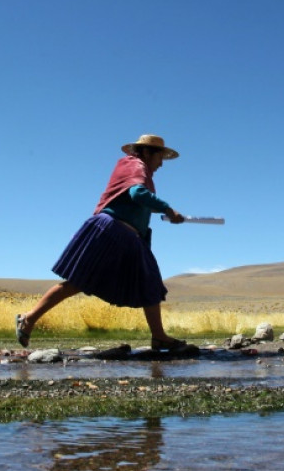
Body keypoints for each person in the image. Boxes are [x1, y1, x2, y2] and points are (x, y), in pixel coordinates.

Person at [15, 134, 192, 352]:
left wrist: (160, 219)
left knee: (150, 283)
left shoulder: (138, 170)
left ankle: (159, 337)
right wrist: (167, 208)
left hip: (129, 237)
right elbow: (137, 194)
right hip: (111, 230)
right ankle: (29, 319)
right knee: (79, 281)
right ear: (146, 153)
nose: (161, 163)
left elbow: (140, 206)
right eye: (159, 157)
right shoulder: (135, 164)